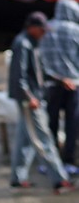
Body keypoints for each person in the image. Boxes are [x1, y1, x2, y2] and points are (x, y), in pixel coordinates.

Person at [9, 11, 73, 192]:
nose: (44, 33)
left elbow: (41, 72)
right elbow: (18, 76)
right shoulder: (23, 44)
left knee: (25, 140)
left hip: (35, 96)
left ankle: (17, 178)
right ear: (32, 28)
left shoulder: (33, 43)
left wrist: (61, 80)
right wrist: (30, 98)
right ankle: (60, 180)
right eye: (42, 30)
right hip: (30, 100)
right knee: (43, 138)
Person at [40, 0, 79, 173]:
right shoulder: (75, 31)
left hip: (51, 84)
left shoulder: (46, 29)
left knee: (51, 123)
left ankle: (51, 161)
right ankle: (69, 161)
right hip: (74, 84)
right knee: (72, 124)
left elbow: (39, 58)